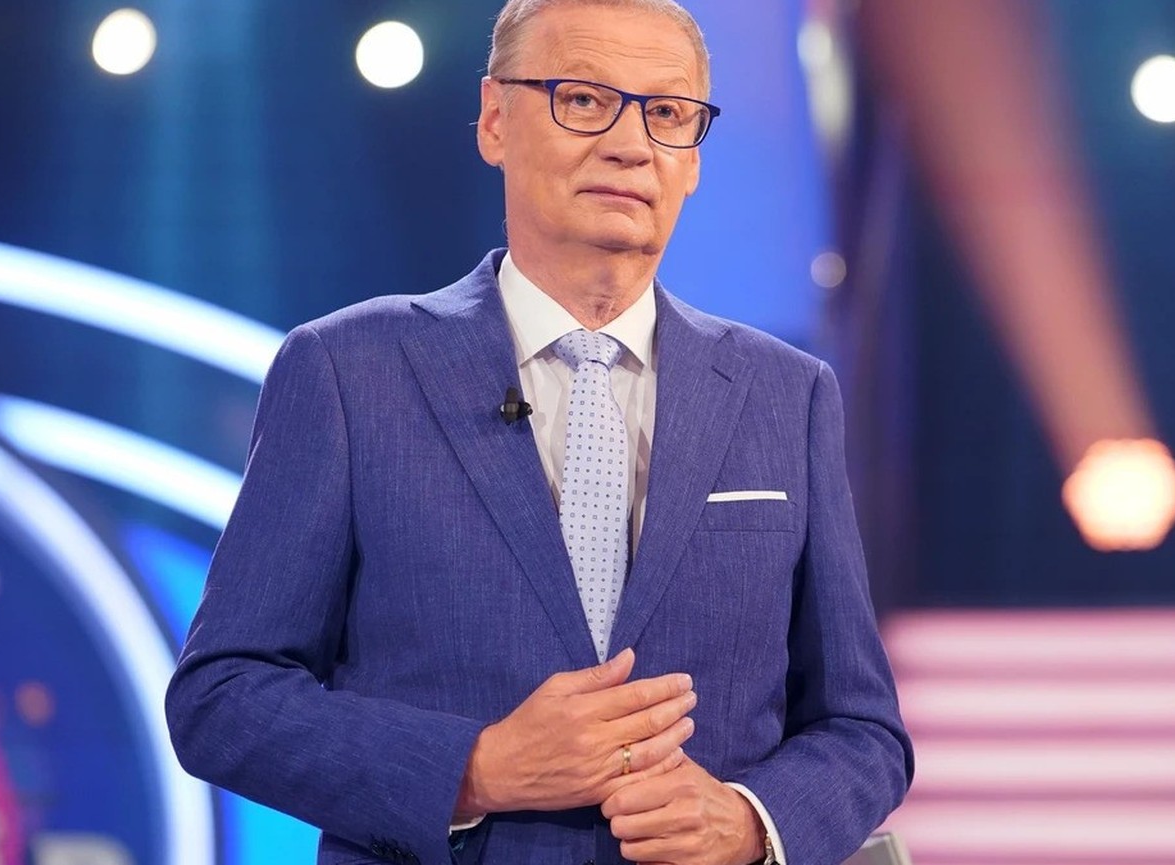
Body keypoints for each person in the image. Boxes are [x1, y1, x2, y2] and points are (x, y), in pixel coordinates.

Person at [164, 1, 913, 863]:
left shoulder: (787, 393)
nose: (630, 144)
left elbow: (863, 729)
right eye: (584, 100)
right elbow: (223, 696)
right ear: (493, 120)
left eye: (668, 113)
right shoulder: (348, 371)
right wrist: (473, 768)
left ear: (694, 158)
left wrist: (748, 820)